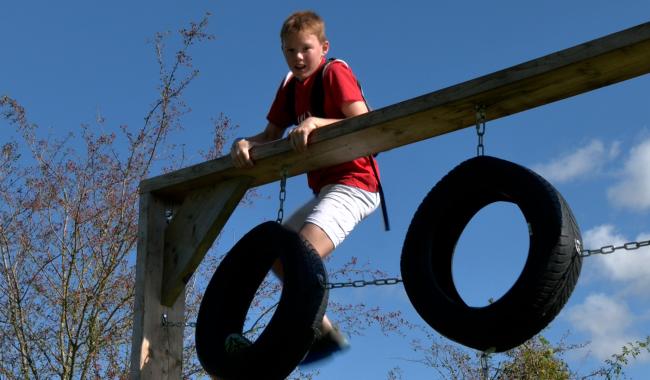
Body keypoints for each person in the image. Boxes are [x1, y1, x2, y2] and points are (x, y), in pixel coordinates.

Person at [230, 10, 381, 365]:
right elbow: (269, 136)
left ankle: (286, 340)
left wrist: (316, 122)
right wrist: (244, 143)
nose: (298, 57)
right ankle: (324, 332)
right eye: (289, 51)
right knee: (280, 255)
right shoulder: (289, 86)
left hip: (356, 183)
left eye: (305, 49)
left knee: (300, 254)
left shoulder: (334, 72)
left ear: (323, 47)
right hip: (325, 187)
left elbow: (364, 120)